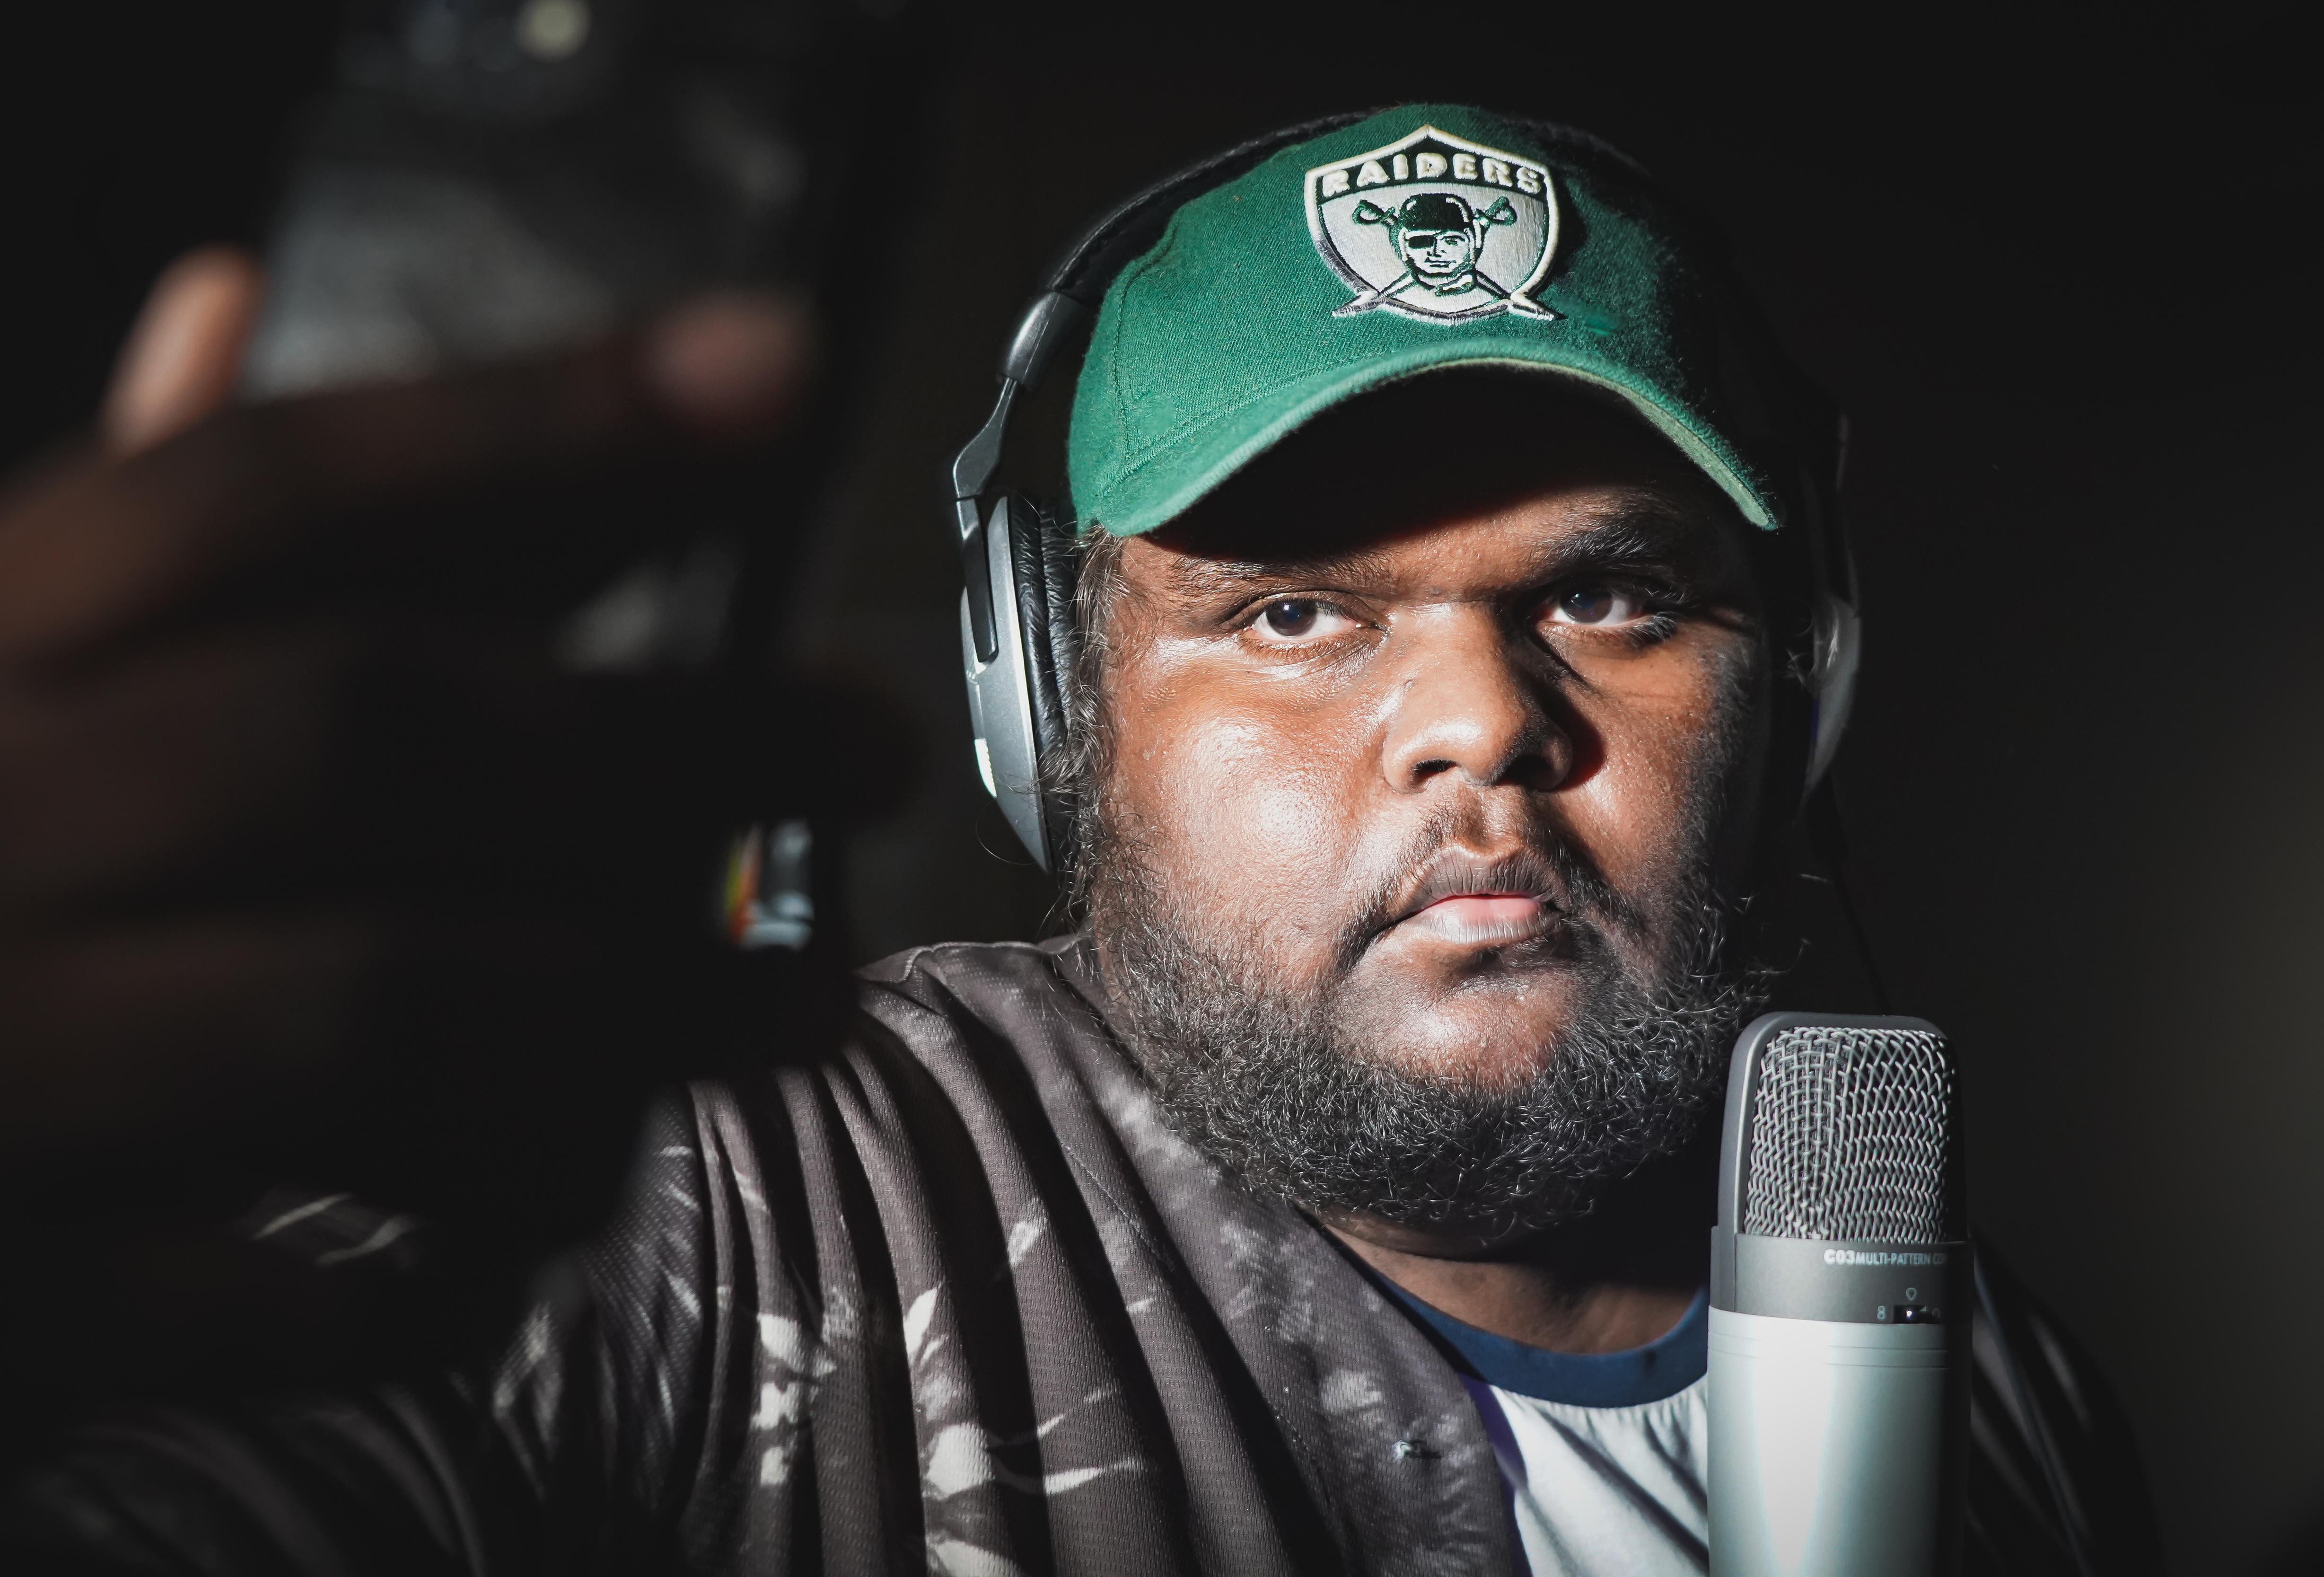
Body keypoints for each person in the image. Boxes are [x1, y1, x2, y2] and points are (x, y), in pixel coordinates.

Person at [0, 106, 2157, 1574]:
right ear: (1052, 714)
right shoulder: (732, 1189)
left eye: (1611, 596)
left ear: (1801, 694)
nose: (1484, 721)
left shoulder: (1990, 1384)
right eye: (1292, 610)